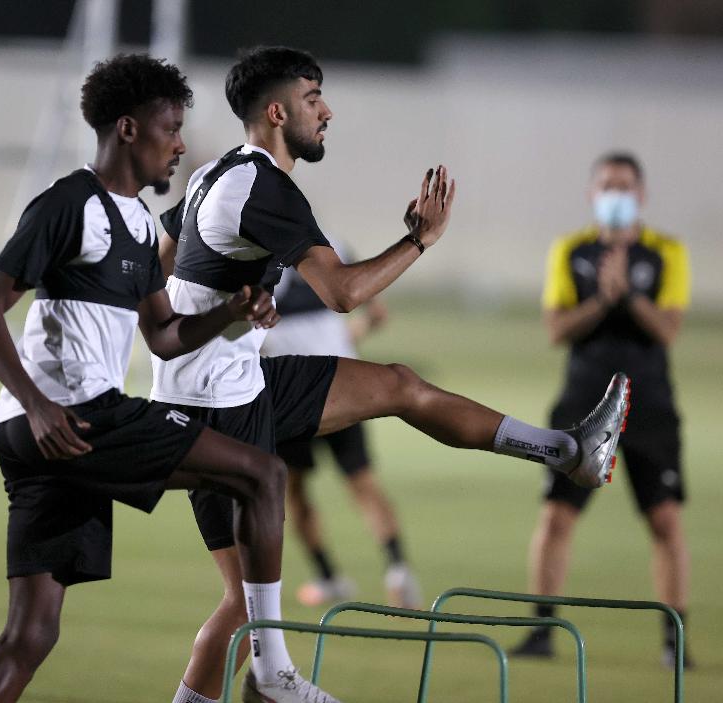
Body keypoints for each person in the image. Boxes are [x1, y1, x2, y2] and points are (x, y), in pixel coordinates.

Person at [151, 46, 631, 703]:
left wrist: (208, 320)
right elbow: (344, 293)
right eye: (313, 96)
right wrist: (420, 241)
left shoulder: (215, 174)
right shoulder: (265, 185)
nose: (326, 110)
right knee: (397, 392)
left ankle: (568, 449)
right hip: (224, 402)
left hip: (206, 391)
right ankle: (274, 678)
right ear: (275, 110)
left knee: (243, 598)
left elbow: (166, 256)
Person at [0, 54, 346, 703]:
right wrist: (36, 403)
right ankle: (272, 671)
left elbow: (165, 338)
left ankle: (266, 670)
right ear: (129, 129)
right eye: (170, 128)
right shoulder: (68, 202)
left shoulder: (141, 226)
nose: (181, 144)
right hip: (73, 417)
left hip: (53, 433)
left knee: (31, 633)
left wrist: (231, 310)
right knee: (264, 473)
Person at [510, 152, 693, 669]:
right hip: (582, 404)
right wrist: (600, 299)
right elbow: (555, 329)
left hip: (650, 404)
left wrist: (629, 296)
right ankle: (542, 630)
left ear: (642, 194)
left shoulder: (666, 253)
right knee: (557, 516)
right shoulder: (571, 251)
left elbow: (668, 330)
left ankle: (673, 641)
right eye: (608, 185)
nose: (617, 195)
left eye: (626, 186)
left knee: (665, 519)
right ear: (592, 194)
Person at [261, 250, 421, 610]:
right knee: (362, 482)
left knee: (296, 490)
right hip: (341, 380)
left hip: (289, 388)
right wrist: (339, 343)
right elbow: (377, 314)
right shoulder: (334, 246)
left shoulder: (258, 247)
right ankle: (398, 571)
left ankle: (329, 577)